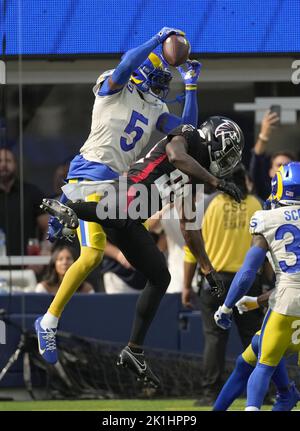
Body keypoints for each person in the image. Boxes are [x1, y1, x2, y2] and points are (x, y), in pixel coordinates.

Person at [38, 116, 244, 387]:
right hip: (126, 191)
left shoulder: (195, 179)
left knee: (160, 276)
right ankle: (69, 210)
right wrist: (215, 183)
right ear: (214, 141)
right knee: (124, 211)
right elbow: (175, 155)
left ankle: (134, 349)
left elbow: (189, 227)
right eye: (226, 154)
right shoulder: (188, 135)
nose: (226, 163)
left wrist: (207, 269)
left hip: (130, 219)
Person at [36, 27, 202, 350]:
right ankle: (49, 320)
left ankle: (66, 213)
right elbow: (126, 65)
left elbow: (188, 133)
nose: (161, 84)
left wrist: (192, 86)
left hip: (115, 187)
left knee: (115, 239)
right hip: (88, 176)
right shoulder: (114, 84)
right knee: (93, 253)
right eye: (156, 75)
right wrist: (157, 39)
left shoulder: (156, 108)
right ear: (143, 72)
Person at [214, 161, 300, 411]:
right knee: (249, 357)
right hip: (287, 302)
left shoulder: (267, 218)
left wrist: (227, 307)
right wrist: (257, 301)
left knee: (263, 367)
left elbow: (248, 272)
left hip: (284, 307)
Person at [182, 165, 263, 405]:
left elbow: (191, 250)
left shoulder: (208, 204)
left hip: (213, 281)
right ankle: (261, 390)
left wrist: (186, 285)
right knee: (254, 338)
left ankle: (210, 393)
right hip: (249, 282)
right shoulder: (257, 206)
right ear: (246, 182)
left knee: (214, 338)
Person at [213, 289, 300, 411]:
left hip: (283, 327)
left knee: (261, 359)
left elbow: (286, 287)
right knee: (244, 363)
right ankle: (286, 393)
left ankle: (285, 393)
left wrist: (256, 301)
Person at [0, 148, 48, 255]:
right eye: (0, 161)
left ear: (16, 165)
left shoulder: (31, 192)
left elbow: (49, 226)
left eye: (8, 161)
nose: (3, 165)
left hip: (28, 265)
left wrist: (43, 254)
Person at [249, 110, 296, 201]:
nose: (283, 169)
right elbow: (257, 161)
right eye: (279, 165)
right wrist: (263, 135)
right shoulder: (265, 192)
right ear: (270, 172)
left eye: (287, 166)